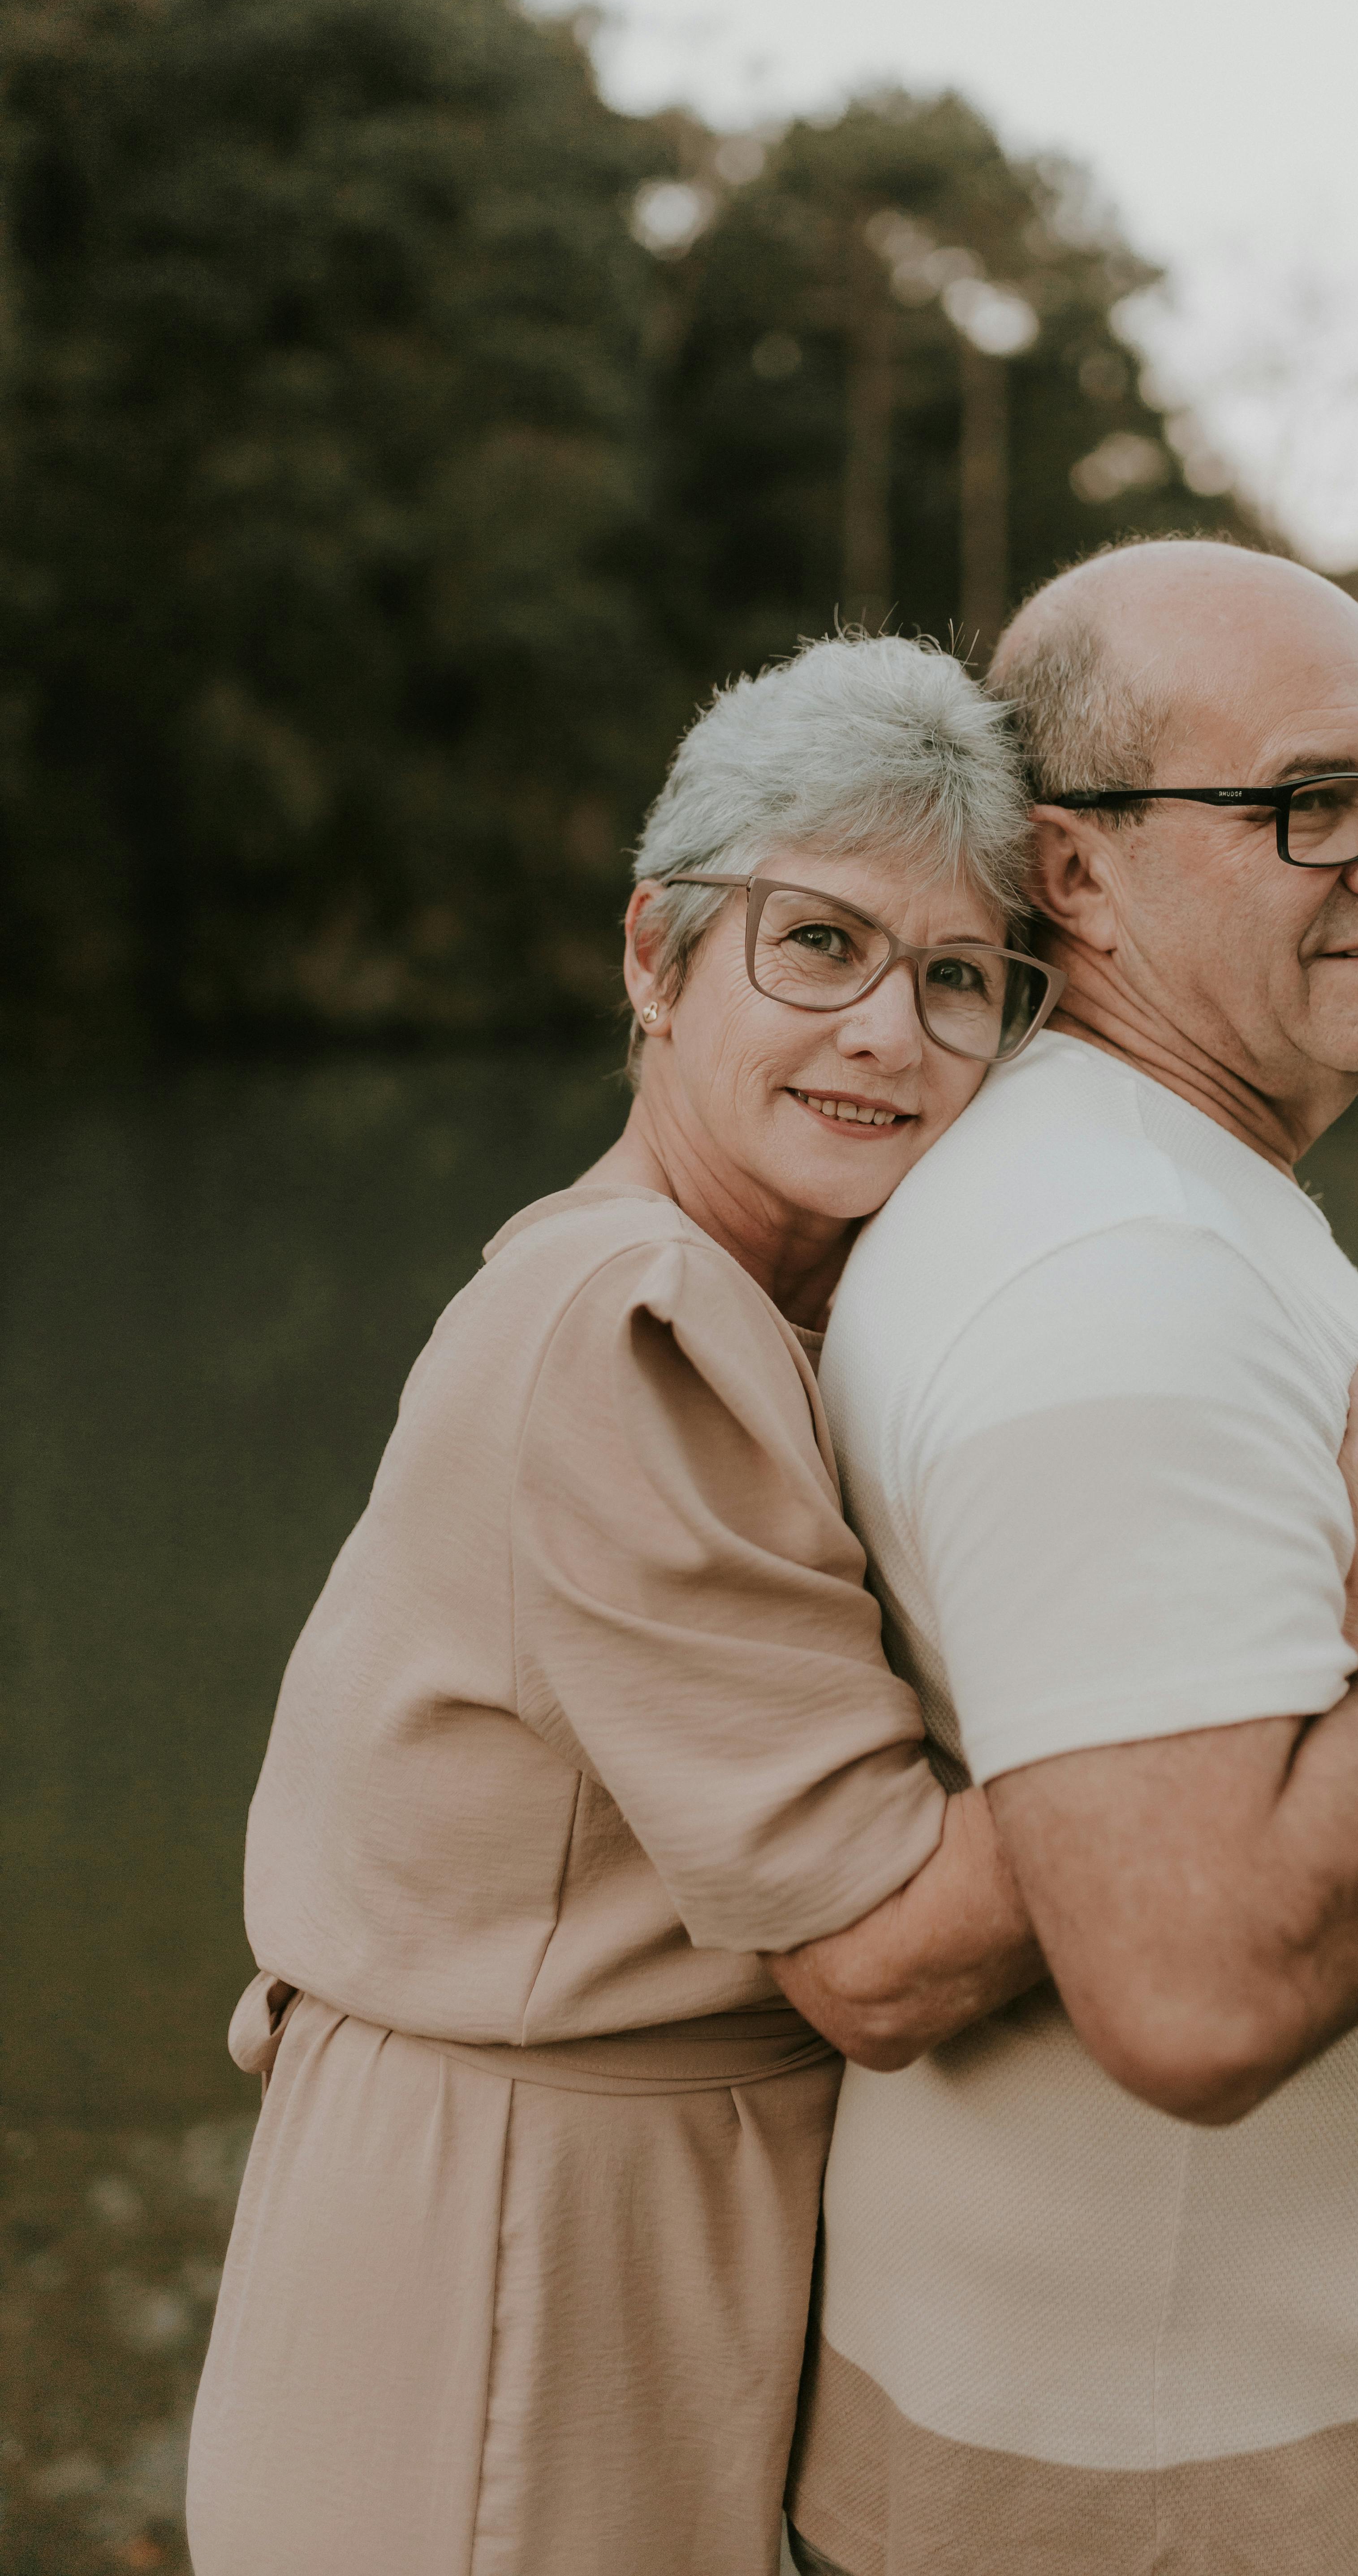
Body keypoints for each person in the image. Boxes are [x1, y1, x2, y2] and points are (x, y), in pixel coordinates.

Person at [785, 545, 1358, 2576]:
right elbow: (1191, 1986)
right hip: (1181, 2488)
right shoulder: (1111, 1273)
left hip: (1241, 2448)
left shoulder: (1148, 1185)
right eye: (1304, 807)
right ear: (1070, 873)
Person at [185, 635, 1061, 2576]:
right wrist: (1285, 1659)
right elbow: (881, 1940)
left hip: (582, 2220)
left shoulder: (737, 1296)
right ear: (656, 959)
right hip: (509, 2263)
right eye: (816, 944)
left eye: (953, 981)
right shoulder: (625, 1318)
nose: (887, 1036)